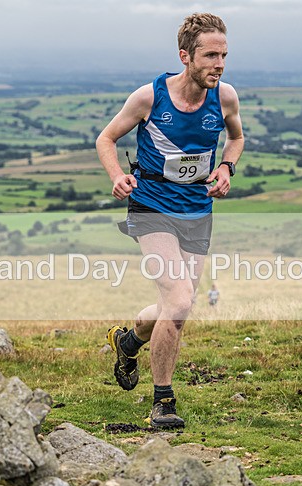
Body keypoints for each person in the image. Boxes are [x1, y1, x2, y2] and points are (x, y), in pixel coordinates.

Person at [96, 12, 244, 429]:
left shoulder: (225, 97)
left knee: (174, 304)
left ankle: (128, 342)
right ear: (185, 56)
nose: (219, 64)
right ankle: (163, 400)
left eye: (224, 55)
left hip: (196, 210)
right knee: (179, 301)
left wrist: (226, 167)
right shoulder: (149, 97)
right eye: (210, 55)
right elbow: (106, 138)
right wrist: (117, 176)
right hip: (152, 208)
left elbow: (236, 137)